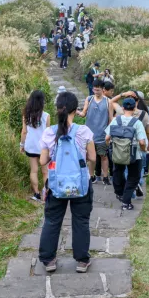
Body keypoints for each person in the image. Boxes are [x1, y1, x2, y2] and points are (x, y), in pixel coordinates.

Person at [39, 91, 96, 273]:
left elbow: (42, 161)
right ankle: (82, 260)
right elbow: (93, 157)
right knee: (81, 221)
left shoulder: (49, 132)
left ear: (57, 109)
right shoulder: (84, 131)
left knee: (52, 221)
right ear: (75, 110)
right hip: (81, 184)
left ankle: (48, 260)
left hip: (56, 185)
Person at [105, 97, 149, 210]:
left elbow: (107, 138)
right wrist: (143, 149)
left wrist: (112, 147)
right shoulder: (137, 123)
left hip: (118, 153)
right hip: (134, 155)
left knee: (118, 173)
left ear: (123, 108)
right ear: (134, 108)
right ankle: (126, 202)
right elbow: (142, 142)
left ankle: (120, 193)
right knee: (133, 178)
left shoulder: (116, 120)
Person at [78, 78, 111, 186]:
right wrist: (75, 111)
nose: (96, 92)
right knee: (91, 158)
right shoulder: (89, 99)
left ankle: (105, 177)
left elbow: (111, 119)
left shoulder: (108, 101)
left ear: (103, 89)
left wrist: (108, 133)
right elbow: (83, 113)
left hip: (102, 134)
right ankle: (91, 176)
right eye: (94, 89)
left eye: (98, 90)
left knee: (103, 156)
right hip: (89, 135)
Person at [20, 90, 51, 201]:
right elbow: (48, 133)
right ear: (42, 102)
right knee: (45, 171)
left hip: (31, 146)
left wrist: (22, 144)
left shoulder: (26, 115)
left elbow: (24, 132)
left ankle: (36, 194)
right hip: (43, 147)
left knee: (33, 170)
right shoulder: (46, 116)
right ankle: (47, 194)